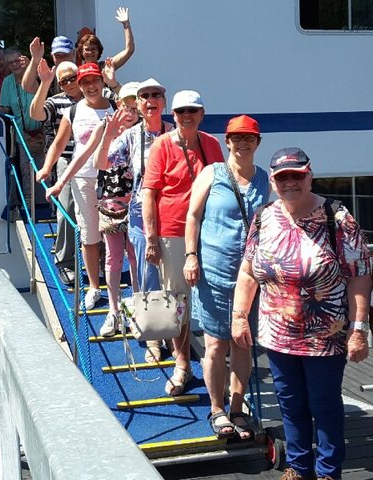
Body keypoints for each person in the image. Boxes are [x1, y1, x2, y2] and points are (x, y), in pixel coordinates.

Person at [232, 148, 372, 480]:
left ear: (310, 175)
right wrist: (239, 315)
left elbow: (360, 276)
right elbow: (249, 272)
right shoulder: (263, 216)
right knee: (290, 404)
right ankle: (298, 467)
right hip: (277, 334)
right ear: (274, 180)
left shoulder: (336, 217)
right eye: (282, 177)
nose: (290, 182)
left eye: (298, 175)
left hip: (325, 334)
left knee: (324, 405)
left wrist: (358, 329)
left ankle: (327, 472)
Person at [183, 115, 269, 439]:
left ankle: (237, 406)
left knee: (243, 342)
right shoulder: (212, 173)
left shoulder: (266, 180)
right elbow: (192, 215)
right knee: (216, 345)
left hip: (251, 278)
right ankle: (217, 409)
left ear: (257, 143)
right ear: (227, 141)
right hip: (213, 273)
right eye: (237, 138)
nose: (242, 143)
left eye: (249, 138)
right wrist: (191, 256)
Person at [142, 90, 224, 395]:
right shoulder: (162, 145)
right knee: (177, 301)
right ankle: (183, 364)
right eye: (180, 112)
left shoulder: (212, 144)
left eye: (192, 110)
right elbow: (148, 193)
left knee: (213, 297)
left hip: (209, 230)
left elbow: (221, 184)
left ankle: (213, 363)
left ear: (201, 114)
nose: (186, 116)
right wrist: (152, 238)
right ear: (172, 115)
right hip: (173, 230)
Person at [94, 79, 174, 351]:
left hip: (173, 214)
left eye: (156, 95)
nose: (150, 100)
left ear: (164, 101)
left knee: (173, 278)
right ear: (139, 105)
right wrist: (109, 134)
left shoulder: (175, 132)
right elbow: (102, 163)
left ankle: (175, 339)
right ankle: (154, 335)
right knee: (148, 274)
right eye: (144, 96)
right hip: (142, 216)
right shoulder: (130, 136)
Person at [39, 63, 117, 310]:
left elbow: (136, 105)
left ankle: (114, 285)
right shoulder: (73, 111)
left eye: (94, 81)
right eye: (85, 83)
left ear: (102, 81)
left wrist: (114, 80)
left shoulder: (116, 106)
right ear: (79, 86)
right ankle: (94, 287)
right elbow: (59, 145)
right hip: (83, 178)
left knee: (115, 235)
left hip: (114, 179)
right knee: (89, 235)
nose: (90, 87)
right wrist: (46, 167)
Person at [89, 82, 140, 336]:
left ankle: (139, 310)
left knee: (136, 256)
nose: (129, 111)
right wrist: (109, 134)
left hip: (140, 202)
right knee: (113, 257)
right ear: (118, 104)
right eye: (125, 105)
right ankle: (113, 310)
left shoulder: (147, 132)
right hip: (111, 200)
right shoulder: (107, 126)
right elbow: (97, 160)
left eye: (134, 106)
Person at [29, 60, 81, 285]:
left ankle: (99, 262)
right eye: (64, 81)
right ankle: (65, 262)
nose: (69, 83)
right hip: (67, 159)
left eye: (72, 77)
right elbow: (36, 113)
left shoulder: (96, 92)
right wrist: (45, 83)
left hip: (95, 162)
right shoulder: (56, 101)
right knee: (67, 210)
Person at [0, 47, 45, 208]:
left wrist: (32, 68)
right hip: (22, 133)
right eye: (10, 63)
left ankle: (50, 205)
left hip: (43, 131)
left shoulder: (37, 73)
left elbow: (43, 92)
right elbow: (6, 109)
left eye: (17, 61)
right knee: (25, 169)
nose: (14, 65)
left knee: (46, 170)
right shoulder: (7, 82)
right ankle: (28, 204)